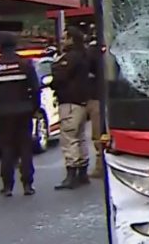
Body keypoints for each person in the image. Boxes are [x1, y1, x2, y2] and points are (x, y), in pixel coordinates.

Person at [0, 32, 41, 197]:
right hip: (24, 111)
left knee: (7, 148)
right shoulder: (25, 64)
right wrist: (34, 108)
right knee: (25, 147)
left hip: (3, 112)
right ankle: (27, 184)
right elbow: (35, 89)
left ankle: (7, 186)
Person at [52, 26, 91, 190]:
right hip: (82, 102)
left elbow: (59, 76)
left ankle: (71, 173)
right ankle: (83, 171)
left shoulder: (69, 58)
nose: (61, 42)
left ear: (71, 39)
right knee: (80, 136)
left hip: (69, 101)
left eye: (63, 38)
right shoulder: (84, 56)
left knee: (69, 137)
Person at [85, 33, 104, 179]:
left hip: (97, 98)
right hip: (104, 96)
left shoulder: (92, 53)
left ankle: (100, 166)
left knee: (98, 134)